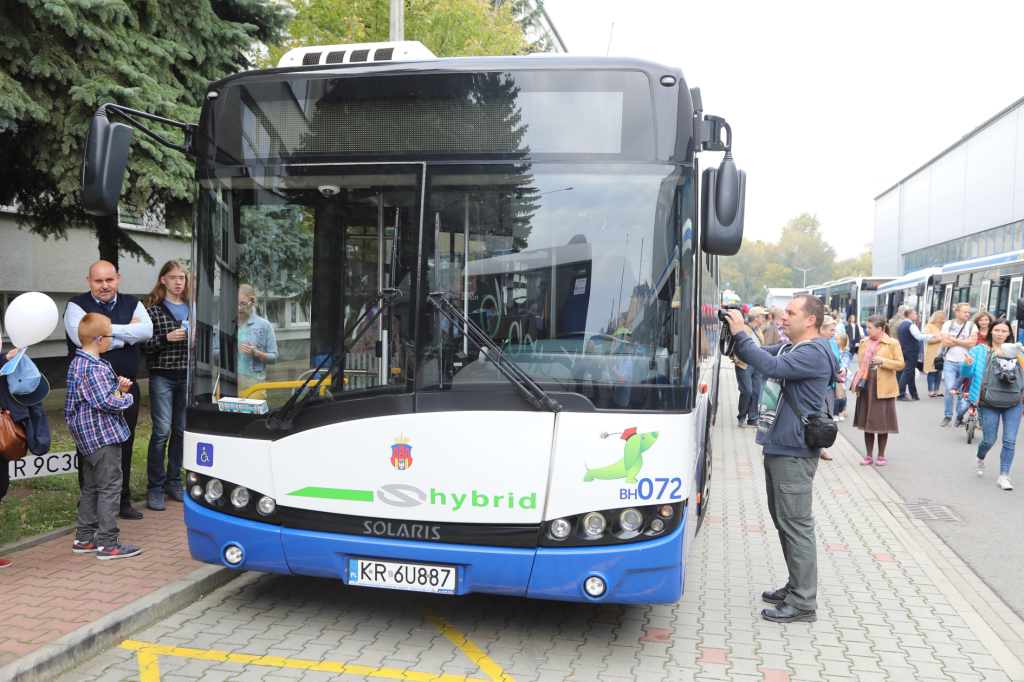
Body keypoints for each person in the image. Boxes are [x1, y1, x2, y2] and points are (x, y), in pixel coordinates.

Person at [724, 294, 840, 624]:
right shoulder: (794, 348)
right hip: (782, 446)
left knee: (796, 525)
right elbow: (760, 356)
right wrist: (738, 335)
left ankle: (804, 602)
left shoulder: (814, 352)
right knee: (785, 522)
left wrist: (741, 331)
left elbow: (768, 365)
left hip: (793, 451)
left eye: (790, 313)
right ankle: (796, 587)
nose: (783, 318)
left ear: (811, 320)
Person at [63, 261, 152, 520]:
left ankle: (121, 501)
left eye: (109, 280)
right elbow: (83, 338)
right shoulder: (75, 305)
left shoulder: (132, 302)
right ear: (89, 281)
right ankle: (90, 508)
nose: (105, 286)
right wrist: (127, 333)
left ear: (118, 279)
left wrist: (105, 334)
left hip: (126, 389)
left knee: (124, 443)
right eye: (99, 281)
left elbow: (146, 331)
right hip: (91, 391)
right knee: (91, 449)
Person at [66, 313, 143, 560]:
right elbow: (105, 402)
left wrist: (118, 390)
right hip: (103, 438)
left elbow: (76, 405)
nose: (114, 340)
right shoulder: (95, 367)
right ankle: (109, 544)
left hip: (86, 439)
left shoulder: (77, 363)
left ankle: (85, 538)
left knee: (91, 487)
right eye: (111, 336)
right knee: (110, 488)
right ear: (99, 339)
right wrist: (126, 397)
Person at [141, 261, 190, 511]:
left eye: (182, 277)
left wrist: (195, 342)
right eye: (173, 277)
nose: (178, 282)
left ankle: (174, 482)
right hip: (162, 377)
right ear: (163, 280)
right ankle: (156, 487)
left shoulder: (193, 309)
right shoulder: (152, 310)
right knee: (161, 431)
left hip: (187, 378)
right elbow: (143, 347)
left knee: (180, 431)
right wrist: (165, 338)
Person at [960, 318, 1021, 490]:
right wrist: (966, 364)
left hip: (1013, 402)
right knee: (989, 440)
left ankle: (1004, 476)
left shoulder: (1018, 351)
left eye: (1004, 331)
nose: (1000, 334)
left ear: (1009, 333)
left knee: (1009, 441)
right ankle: (980, 458)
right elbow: (967, 373)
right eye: (997, 330)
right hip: (988, 401)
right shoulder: (979, 350)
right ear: (991, 332)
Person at [852, 315, 904, 466]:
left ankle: (881, 455)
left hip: (884, 387)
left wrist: (883, 361)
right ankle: (869, 455)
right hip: (866, 385)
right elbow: (861, 364)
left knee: (882, 422)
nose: (866, 329)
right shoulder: (863, 342)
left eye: (869, 327)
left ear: (879, 329)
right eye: (866, 327)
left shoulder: (892, 343)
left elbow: (900, 364)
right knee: (867, 421)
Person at [236, 284, 278, 400]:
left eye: (243, 304)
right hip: (230, 386)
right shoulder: (225, 324)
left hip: (255, 387)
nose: (239, 308)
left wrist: (256, 353)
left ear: (253, 302)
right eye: (236, 303)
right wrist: (225, 350)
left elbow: (274, 357)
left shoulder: (264, 325)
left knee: (253, 418)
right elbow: (214, 353)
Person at [940, 303, 978, 427]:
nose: (967, 314)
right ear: (957, 312)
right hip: (950, 361)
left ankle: (959, 417)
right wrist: (964, 342)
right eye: (965, 312)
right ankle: (948, 415)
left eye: (968, 312)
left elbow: (972, 344)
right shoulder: (948, 324)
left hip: (965, 363)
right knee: (950, 388)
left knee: (962, 391)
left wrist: (955, 339)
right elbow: (945, 342)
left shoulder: (972, 326)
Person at [730, 310, 765, 427]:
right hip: (744, 364)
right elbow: (735, 343)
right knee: (747, 391)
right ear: (756, 317)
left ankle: (753, 418)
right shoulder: (744, 328)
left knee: (755, 392)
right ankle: (741, 417)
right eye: (762, 315)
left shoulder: (758, 329)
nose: (764, 318)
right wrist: (735, 358)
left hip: (757, 364)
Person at [896, 308, 935, 402]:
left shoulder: (901, 324)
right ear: (910, 315)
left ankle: (914, 394)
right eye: (915, 314)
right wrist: (934, 335)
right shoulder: (911, 325)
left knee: (910, 374)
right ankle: (901, 394)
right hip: (911, 352)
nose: (916, 316)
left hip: (903, 351)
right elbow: (919, 336)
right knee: (907, 373)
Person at [923, 310, 946, 397]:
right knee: (932, 371)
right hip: (932, 352)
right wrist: (940, 338)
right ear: (937, 318)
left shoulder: (943, 326)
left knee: (939, 372)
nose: (943, 320)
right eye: (942, 318)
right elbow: (927, 339)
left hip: (941, 352)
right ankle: (931, 390)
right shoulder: (929, 326)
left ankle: (937, 390)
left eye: (944, 319)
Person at [835, 333, 851, 421]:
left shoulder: (845, 353)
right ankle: (840, 410)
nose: (834, 340)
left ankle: (843, 409)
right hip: (840, 376)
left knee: (842, 394)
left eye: (836, 339)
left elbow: (845, 365)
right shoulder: (838, 351)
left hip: (843, 376)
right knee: (839, 393)